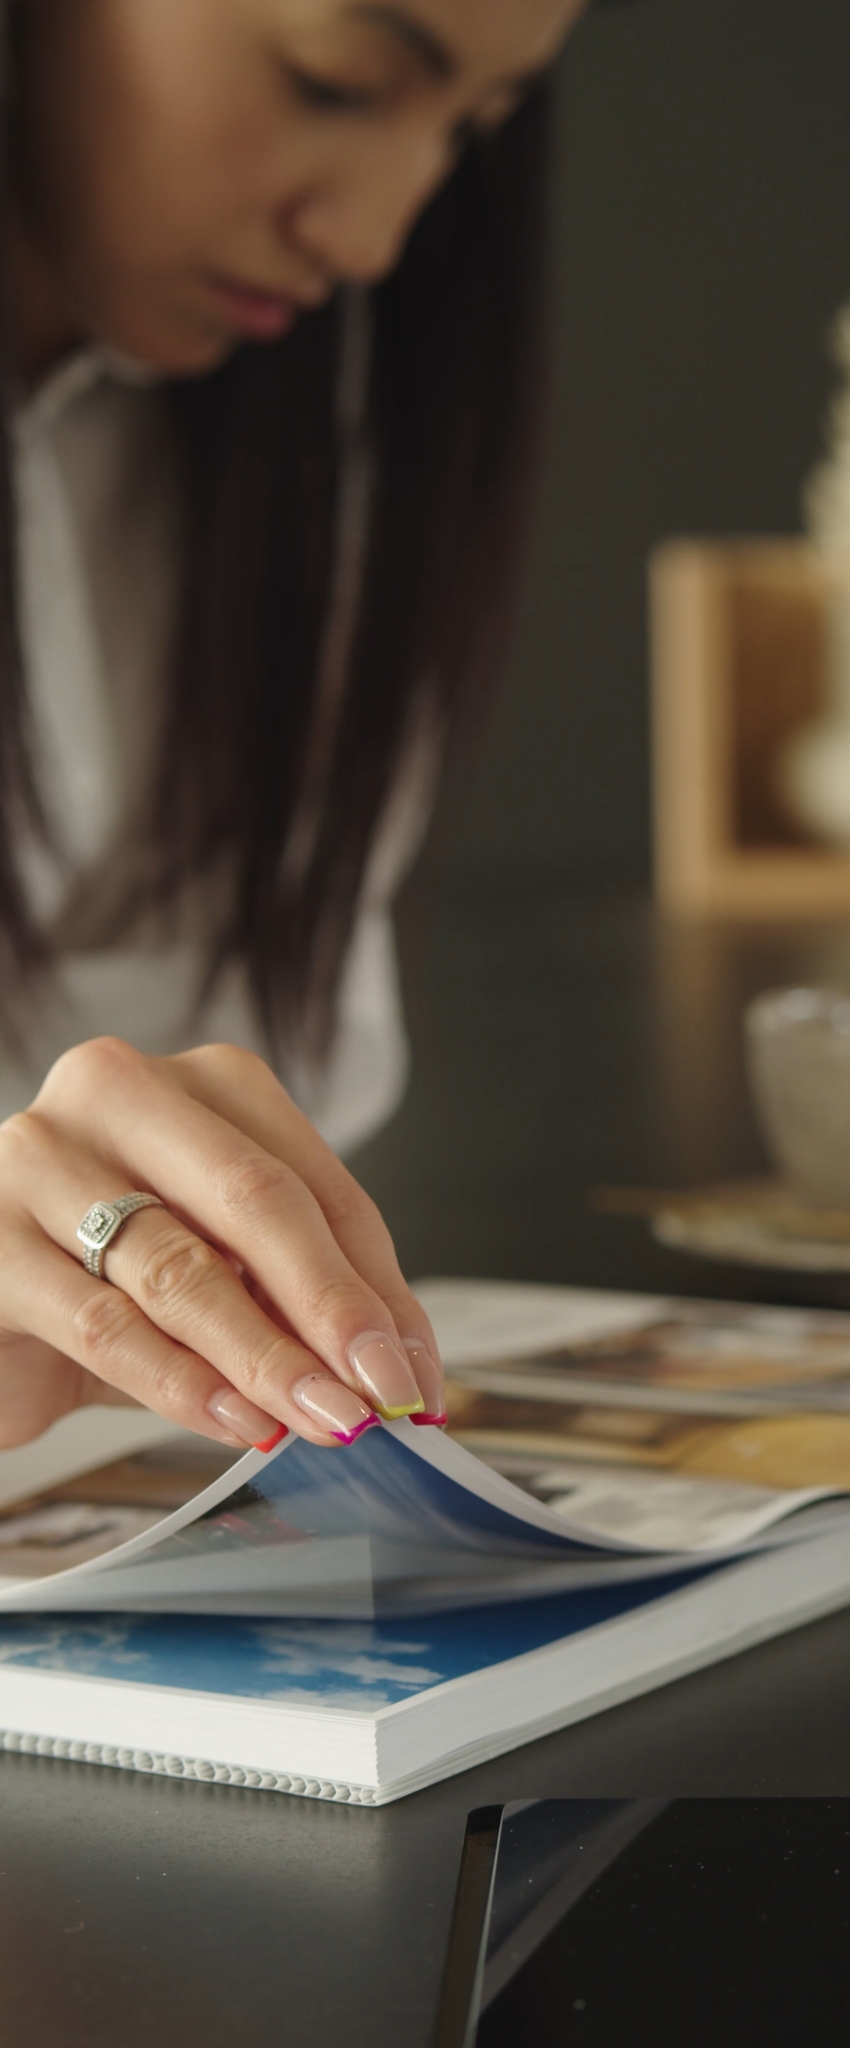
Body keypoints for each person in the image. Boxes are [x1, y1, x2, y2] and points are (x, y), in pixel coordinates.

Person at [0, 0, 584, 1460]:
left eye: (469, 132)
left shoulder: (304, 449)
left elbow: (239, 1093)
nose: (379, 233)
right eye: (338, 81)